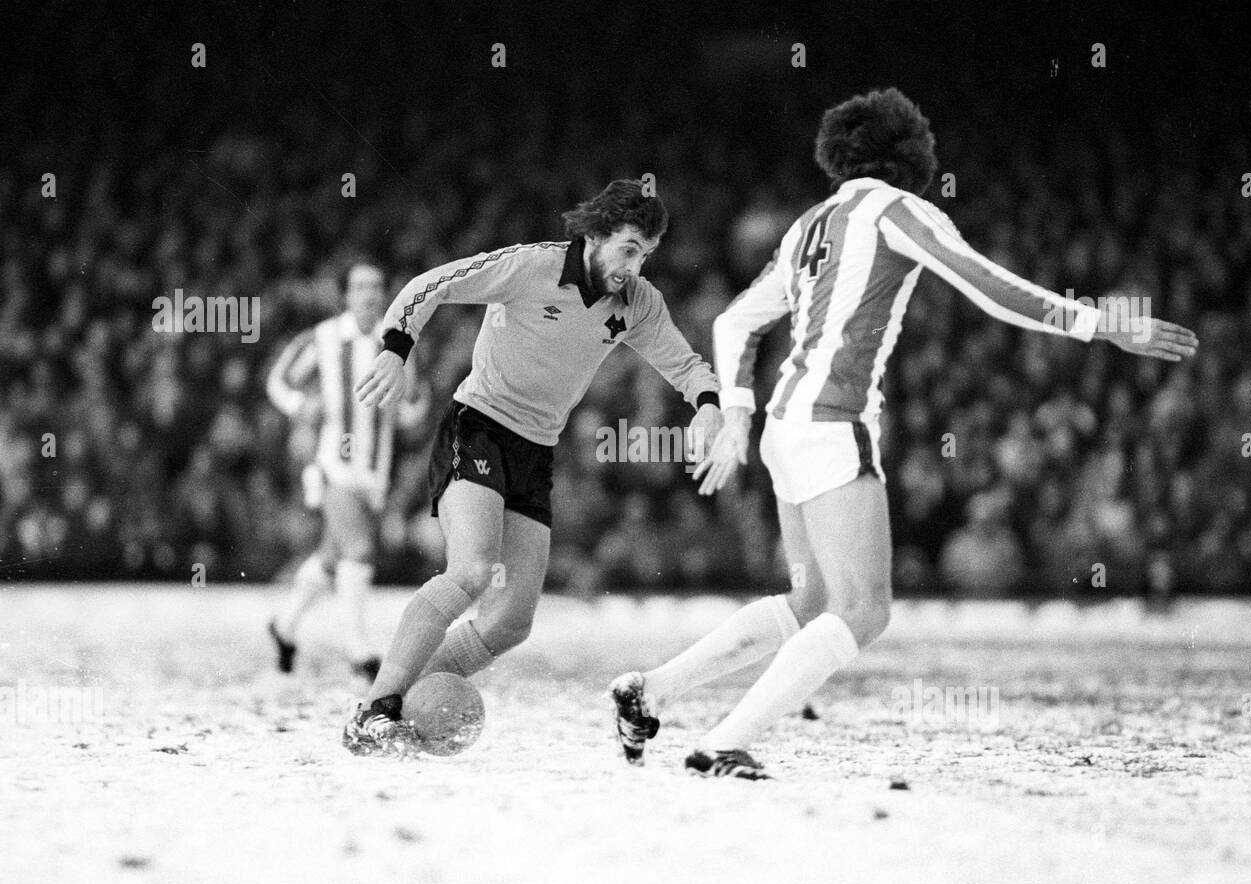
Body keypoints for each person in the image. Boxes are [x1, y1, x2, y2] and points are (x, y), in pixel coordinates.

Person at [611, 88, 1198, 779]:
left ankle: (648, 691)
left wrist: (738, 410)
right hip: (833, 424)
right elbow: (987, 285)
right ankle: (725, 741)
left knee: (811, 602)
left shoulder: (811, 223)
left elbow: (735, 321)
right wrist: (1102, 323)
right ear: (909, 152)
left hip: (784, 424)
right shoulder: (898, 210)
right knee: (864, 610)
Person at [343, 179, 723, 755]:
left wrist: (709, 406)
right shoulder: (530, 267)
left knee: (511, 621)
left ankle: (407, 698)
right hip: (477, 426)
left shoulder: (638, 302)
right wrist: (397, 348)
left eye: (646, 254)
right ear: (594, 236)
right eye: (627, 248)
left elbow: (684, 362)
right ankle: (375, 708)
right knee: (471, 571)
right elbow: (433, 284)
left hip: (535, 450)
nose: (635, 265)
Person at [266, 261, 428, 680]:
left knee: (332, 559)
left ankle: (283, 628)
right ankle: (360, 653)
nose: (369, 294)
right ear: (345, 295)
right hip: (331, 464)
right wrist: (303, 407)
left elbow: (414, 412)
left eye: (376, 286)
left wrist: (407, 399)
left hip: (375, 471)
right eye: (359, 286)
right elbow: (279, 381)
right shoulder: (322, 338)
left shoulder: (399, 345)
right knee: (359, 551)